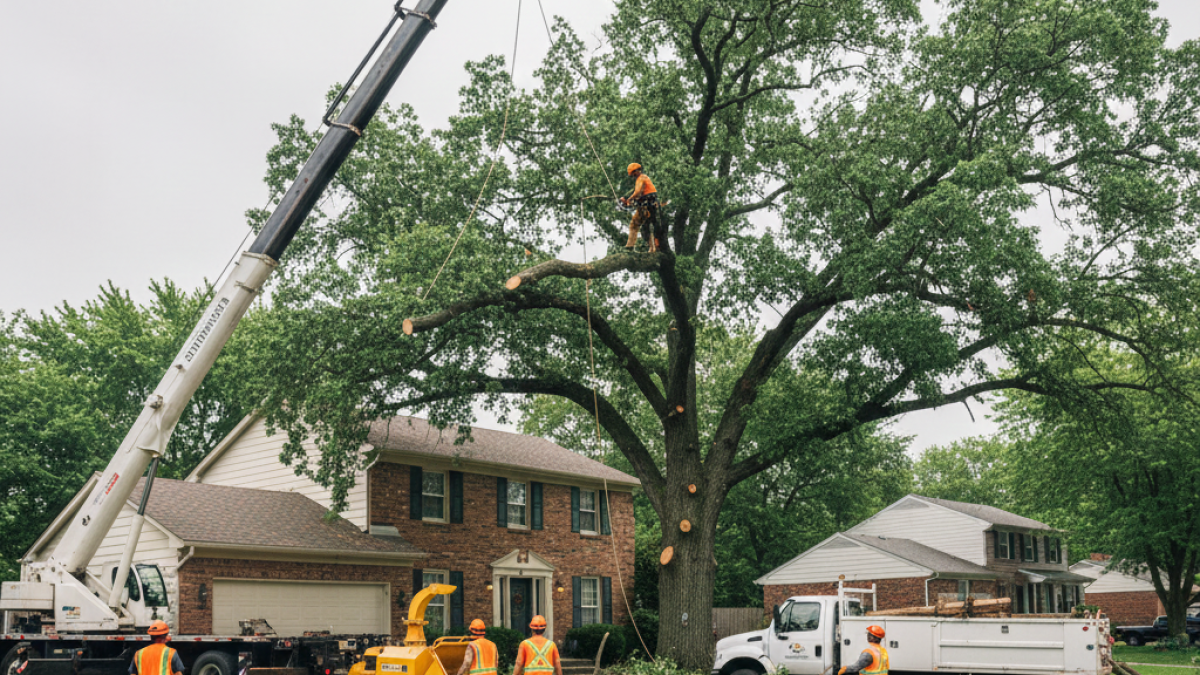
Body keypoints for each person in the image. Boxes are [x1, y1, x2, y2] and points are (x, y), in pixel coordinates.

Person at [620, 163, 662, 253]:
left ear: (636, 171)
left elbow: (637, 192)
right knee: (648, 227)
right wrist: (627, 201)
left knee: (634, 225)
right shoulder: (645, 178)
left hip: (646, 207)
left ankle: (630, 246)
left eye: (633, 174)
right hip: (652, 206)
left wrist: (629, 199)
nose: (633, 177)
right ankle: (653, 248)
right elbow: (638, 195)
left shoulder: (641, 179)